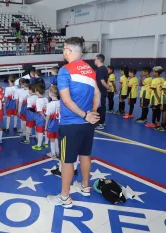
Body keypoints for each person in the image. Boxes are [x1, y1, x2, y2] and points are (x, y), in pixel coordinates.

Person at [47, 37, 100, 208]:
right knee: (85, 155)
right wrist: (93, 113)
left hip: (71, 124)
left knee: (67, 160)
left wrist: (85, 115)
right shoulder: (90, 70)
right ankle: (85, 186)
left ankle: (64, 197)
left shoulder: (65, 70)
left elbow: (66, 100)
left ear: (68, 51)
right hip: (87, 124)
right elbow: (97, 94)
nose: (63, 52)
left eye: (63, 49)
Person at [32, 83, 49, 151]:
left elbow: (40, 111)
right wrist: (46, 118)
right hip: (47, 116)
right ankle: (46, 143)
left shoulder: (38, 101)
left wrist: (44, 118)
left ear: (37, 92)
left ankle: (38, 145)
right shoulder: (46, 99)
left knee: (40, 131)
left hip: (40, 118)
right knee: (46, 130)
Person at [45, 86, 60, 159]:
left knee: (52, 139)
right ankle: (58, 151)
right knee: (57, 138)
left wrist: (45, 125)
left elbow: (47, 116)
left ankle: (53, 153)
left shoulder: (49, 104)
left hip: (52, 125)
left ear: (50, 94)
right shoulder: (61, 103)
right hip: (59, 124)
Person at [95, 54, 109, 130]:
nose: (94, 60)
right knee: (102, 106)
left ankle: (100, 123)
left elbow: (103, 81)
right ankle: (102, 121)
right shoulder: (104, 68)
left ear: (98, 59)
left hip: (100, 91)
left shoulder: (100, 69)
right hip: (102, 91)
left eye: (95, 59)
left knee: (100, 107)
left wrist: (108, 87)